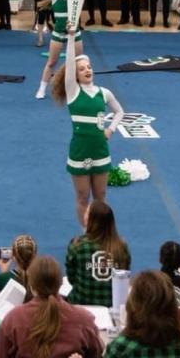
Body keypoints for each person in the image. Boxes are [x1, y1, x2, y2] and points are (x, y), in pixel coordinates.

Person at [0, 254, 102, 358]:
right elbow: (96, 357)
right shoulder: (84, 319)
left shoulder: (12, 318)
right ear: (61, 284)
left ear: (31, 285)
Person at [52, 50, 124, 227]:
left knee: (100, 197)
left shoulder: (104, 93)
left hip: (100, 150)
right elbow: (69, 64)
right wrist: (70, 36)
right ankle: (87, 233)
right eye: (82, 69)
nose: (87, 70)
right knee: (83, 197)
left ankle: (102, 232)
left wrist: (111, 130)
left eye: (89, 67)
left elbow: (120, 111)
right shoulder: (73, 92)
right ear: (75, 75)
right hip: (80, 151)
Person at [65, 200, 131, 307]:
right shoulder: (122, 247)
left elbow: (71, 278)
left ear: (89, 220)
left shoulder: (77, 245)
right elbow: (123, 277)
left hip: (81, 303)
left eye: (87, 212)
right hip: (111, 304)